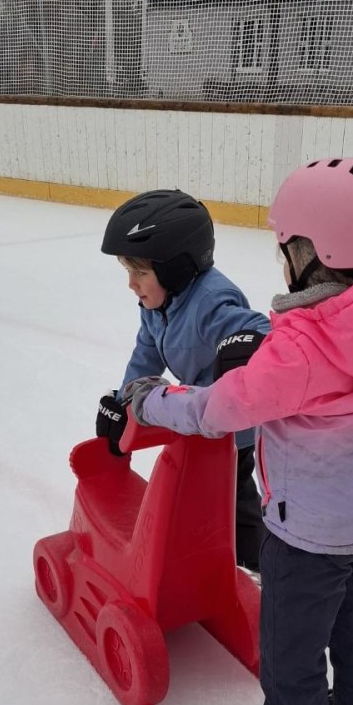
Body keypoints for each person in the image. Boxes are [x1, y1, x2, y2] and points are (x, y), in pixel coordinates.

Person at [124, 158, 353, 705]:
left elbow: (217, 412)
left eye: (283, 244)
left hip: (302, 535)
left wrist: (151, 404)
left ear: (309, 251)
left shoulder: (302, 347)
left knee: (290, 659)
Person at [96, 189, 270, 573]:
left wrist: (246, 343)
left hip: (229, 432)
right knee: (194, 496)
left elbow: (255, 327)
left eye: (139, 272)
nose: (131, 284)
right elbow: (145, 356)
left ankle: (258, 571)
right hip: (192, 417)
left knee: (234, 503)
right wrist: (126, 401)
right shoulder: (156, 305)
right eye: (128, 271)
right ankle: (202, 557)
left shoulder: (210, 300)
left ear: (176, 268)